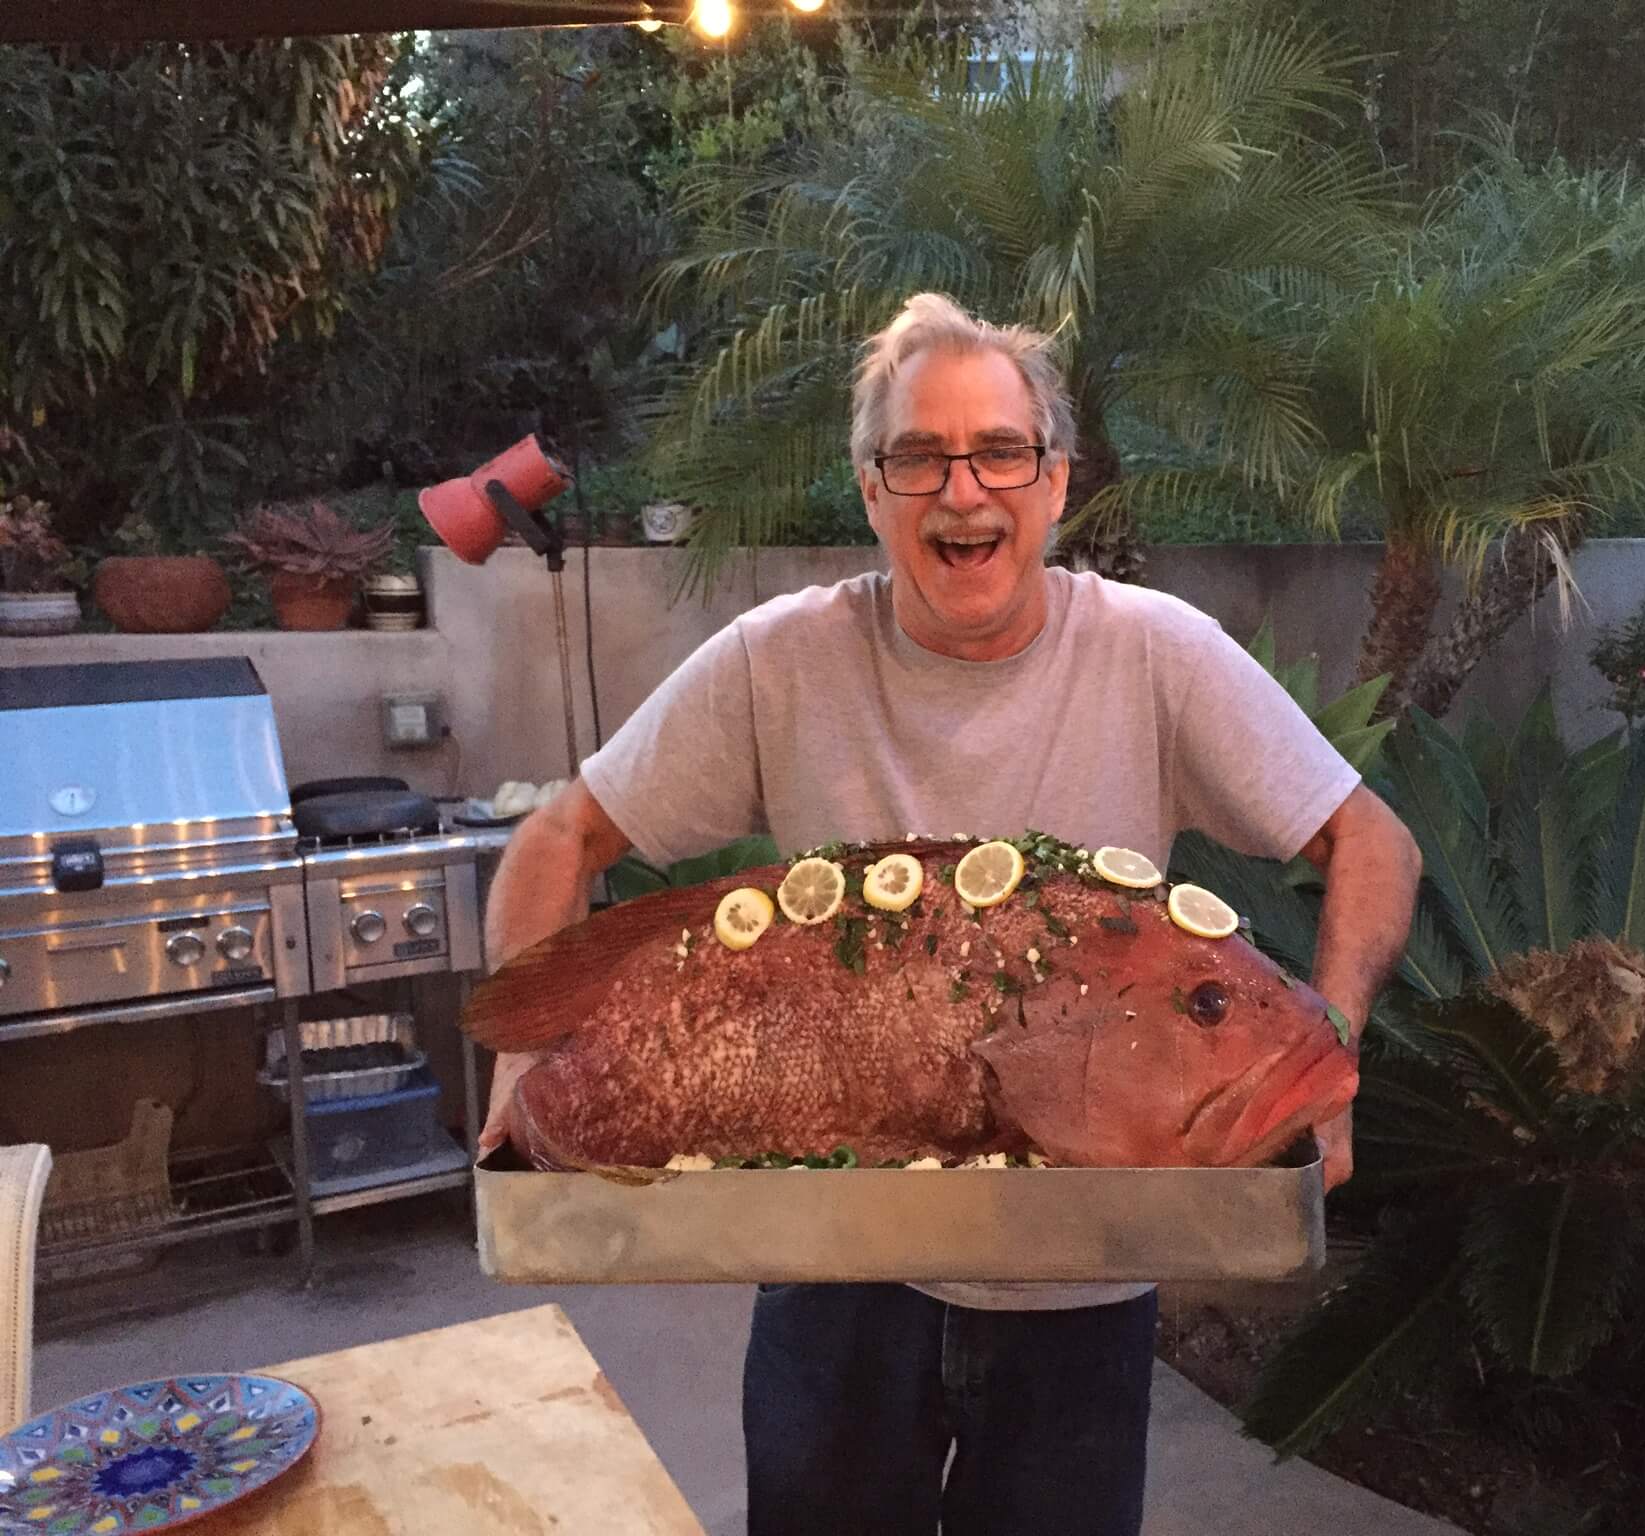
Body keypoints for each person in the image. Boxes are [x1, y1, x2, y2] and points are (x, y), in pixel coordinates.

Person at [477, 291, 1423, 1536]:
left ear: (1056, 479)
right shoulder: (780, 659)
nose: (961, 491)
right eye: (917, 457)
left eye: (999, 452)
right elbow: (564, 837)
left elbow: (1371, 838)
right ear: (870, 489)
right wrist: (521, 1066)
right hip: (834, 1269)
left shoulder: (1156, 653)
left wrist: (1333, 1028)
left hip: (1080, 1284)